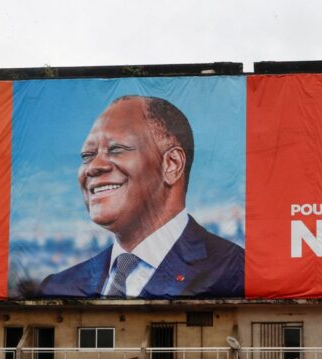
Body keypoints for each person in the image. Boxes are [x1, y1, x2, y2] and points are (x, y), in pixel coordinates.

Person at [36, 95, 244, 299]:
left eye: (116, 149)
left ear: (172, 164)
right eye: (87, 156)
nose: (93, 167)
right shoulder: (57, 287)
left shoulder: (235, 271)